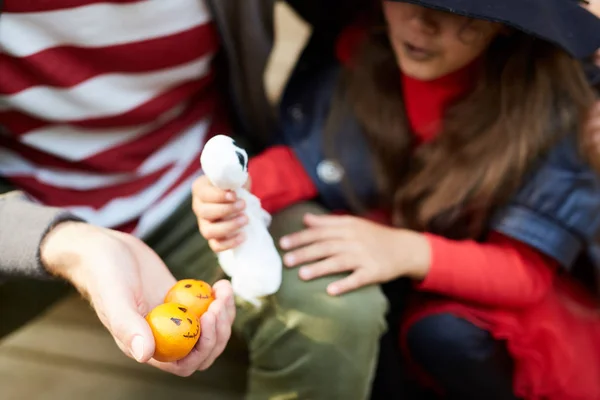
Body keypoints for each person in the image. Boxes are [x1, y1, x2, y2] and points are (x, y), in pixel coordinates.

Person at [193, 1, 600, 399]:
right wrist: (233, 192)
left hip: (492, 307)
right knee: (356, 314)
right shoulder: (364, 56)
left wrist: (405, 250)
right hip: (397, 281)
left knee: (444, 336)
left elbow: (525, 275)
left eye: (459, 10)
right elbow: (311, 159)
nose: (420, 22)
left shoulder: (554, 110)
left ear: (506, 22)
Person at [0, 0, 367, 388]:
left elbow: (369, 27)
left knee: (337, 317)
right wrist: (60, 241)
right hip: (21, 202)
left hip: (195, 188)